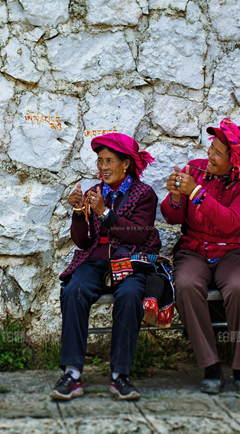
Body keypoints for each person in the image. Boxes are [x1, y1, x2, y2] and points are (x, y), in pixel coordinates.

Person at [50, 132, 163, 401]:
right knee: (74, 291)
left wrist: (105, 213)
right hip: (96, 259)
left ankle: (119, 375)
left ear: (126, 164)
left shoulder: (144, 194)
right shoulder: (94, 193)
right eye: (100, 161)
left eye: (109, 161)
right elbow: (82, 241)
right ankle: (72, 374)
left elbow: (139, 234)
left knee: (129, 295)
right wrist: (79, 213)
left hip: (131, 261)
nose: (102, 167)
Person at [160, 118, 240, 396]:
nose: (210, 155)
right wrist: (173, 196)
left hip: (232, 251)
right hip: (194, 248)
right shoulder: (194, 169)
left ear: (235, 161)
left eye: (218, 153)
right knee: (185, 286)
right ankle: (211, 365)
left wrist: (194, 191)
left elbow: (230, 223)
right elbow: (172, 217)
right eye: (211, 148)